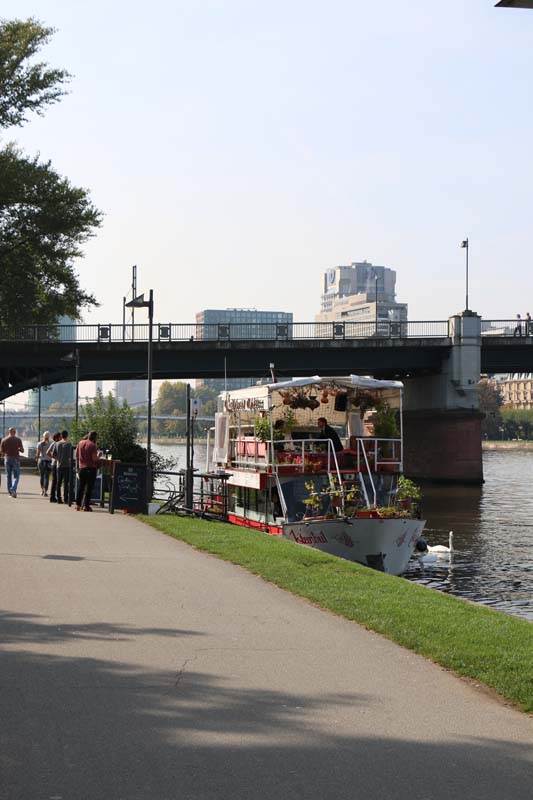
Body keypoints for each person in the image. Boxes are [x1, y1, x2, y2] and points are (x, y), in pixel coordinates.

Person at [75, 430, 101, 511]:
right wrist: (99, 456)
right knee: (89, 488)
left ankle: (78, 505)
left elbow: (76, 455)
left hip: (81, 468)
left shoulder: (80, 443)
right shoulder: (92, 445)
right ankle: (86, 506)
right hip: (90, 468)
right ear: (95, 437)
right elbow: (94, 459)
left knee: (81, 487)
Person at [1, 427, 24, 498]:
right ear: (15, 432)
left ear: (9, 432)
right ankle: (13, 489)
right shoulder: (18, 440)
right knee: (16, 476)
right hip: (16, 459)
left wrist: (6, 452)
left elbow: (1, 451)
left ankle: (10, 493)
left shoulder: (4, 440)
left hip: (7, 458)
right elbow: (22, 450)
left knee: (8, 476)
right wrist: (19, 449)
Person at [55, 430, 74, 505]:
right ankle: (66, 498)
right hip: (67, 466)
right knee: (66, 483)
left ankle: (58, 498)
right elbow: (71, 456)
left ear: (61, 436)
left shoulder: (57, 444)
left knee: (58, 482)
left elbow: (53, 454)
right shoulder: (69, 444)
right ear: (67, 435)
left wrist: (59, 459)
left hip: (59, 465)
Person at [47, 431, 62, 503]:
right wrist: (55, 458)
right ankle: (52, 496)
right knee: (55, 481)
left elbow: (48, 452)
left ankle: (52, 496)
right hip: (56, 464)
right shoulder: (55, 443)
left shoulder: (54, 443)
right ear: (57, 437)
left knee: (54, 481)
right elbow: (48, 452)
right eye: (60, 436)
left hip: (54, 464)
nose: (61, 437)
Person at [36, 431, 52, 496]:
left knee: (42, 476)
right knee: (47, 477)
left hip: (41, 461)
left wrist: (36, 459)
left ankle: (42, 490)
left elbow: (37, 453)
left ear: (43, 436)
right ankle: (45, 491)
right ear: (49, 436)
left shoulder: (39, 443)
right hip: (48, 461)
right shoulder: (51, 443)